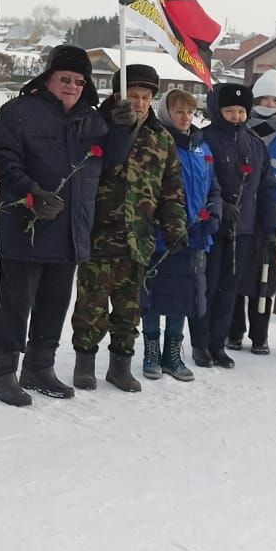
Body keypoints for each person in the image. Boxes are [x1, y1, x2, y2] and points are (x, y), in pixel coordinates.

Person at [0, 45, 130, 407]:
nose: (71, 86)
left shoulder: (92, 119)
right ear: (48, 78)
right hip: (28, 225)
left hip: (70, 229)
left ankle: (40, 366)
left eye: (79, 81)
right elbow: (3, 161)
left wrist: (121, 127)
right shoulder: (17, 113)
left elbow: (112, 158)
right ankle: (3, 372)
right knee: (16, 303)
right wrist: (31, 193)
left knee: (55, 303)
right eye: (64, 79)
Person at [71, 64, 187, 393]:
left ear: (152, 99)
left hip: (139, 238)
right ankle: (85, 362)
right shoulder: (99, 127)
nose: (137, 102)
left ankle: (120, 366)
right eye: (132, 95)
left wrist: (175, 225)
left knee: (129, 309)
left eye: (145, 97)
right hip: (98, 233)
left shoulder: (161, 138)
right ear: (118, 95)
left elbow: (172, 189)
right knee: (90, 306)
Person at [139, 90, 221, 382]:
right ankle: (151, 349)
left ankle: (172, 352)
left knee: (184, 296)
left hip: (195, 236)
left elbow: (214, 188)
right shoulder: (159, 142)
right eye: (178, 112)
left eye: (189, 112)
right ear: (166, 114)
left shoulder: (203, 148)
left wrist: (213, 213)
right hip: (163, 235)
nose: (185, 117)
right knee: (154, 294)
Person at [195, 83, 276, 368]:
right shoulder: (204, 140)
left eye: (241, 111)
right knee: (207, 286)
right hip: (212, 228)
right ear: (217, 111)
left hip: (243, 229)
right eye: (230, 111)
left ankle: (219, 344)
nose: (236, 117)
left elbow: (267, 189)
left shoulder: (255, 144)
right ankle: (201, 343)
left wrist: (269, 229)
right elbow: (198, 183)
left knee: (229, 289)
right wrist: (216, 208)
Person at [233, 69, 276, 350]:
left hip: (274, 211)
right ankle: (233, 331)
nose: (267, 105)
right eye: (262, 98)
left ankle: (260, 334)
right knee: (235, 272)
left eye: (273, 100)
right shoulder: (240, 130)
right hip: (243, 209)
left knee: (265, 275)